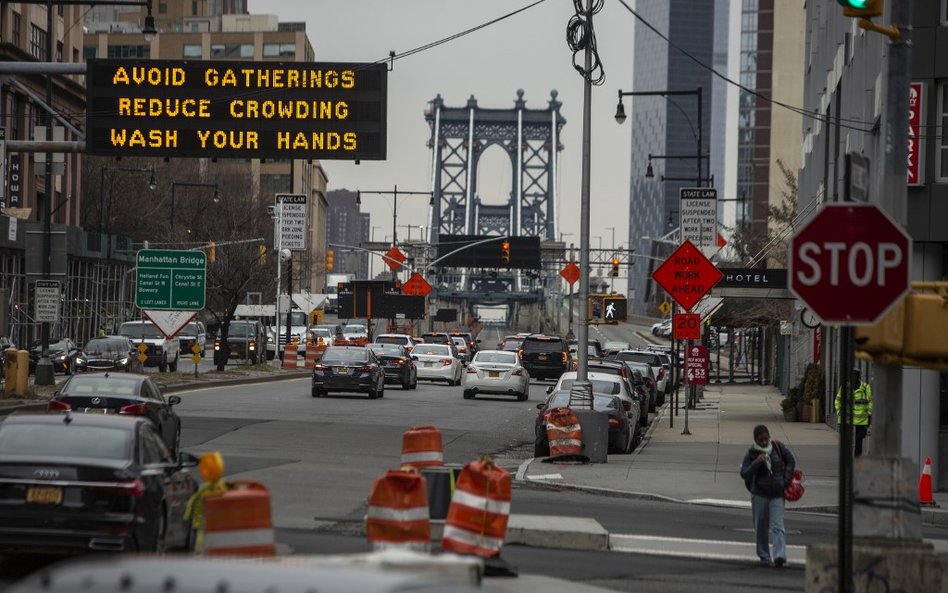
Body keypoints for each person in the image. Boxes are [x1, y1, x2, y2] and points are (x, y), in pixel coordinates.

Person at [740, 424, 795, 567]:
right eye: (760, 440)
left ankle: (779, 556)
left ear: (769, 437)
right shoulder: (752, 453)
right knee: (761, 526)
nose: (764, 443)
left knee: (778, 525)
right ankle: (764, 555)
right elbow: (744, 473)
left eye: (765, 439)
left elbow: (791, 461)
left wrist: (785, 480)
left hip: (777, 493)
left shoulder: (777, 447)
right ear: (755, 440)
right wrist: (757, 462)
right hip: (760, 494)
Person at [834, 368, 872, 457]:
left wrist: (869, 415)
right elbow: (837, 401)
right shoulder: (844, 387)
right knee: (847, 439)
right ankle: (847, 456)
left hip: (861, 419)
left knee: (859, 438)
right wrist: (840, 412)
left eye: (855, 376)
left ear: (858, 377)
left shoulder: (866, 387)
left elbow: (870, 402)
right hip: (848, 418)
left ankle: (857, 456)